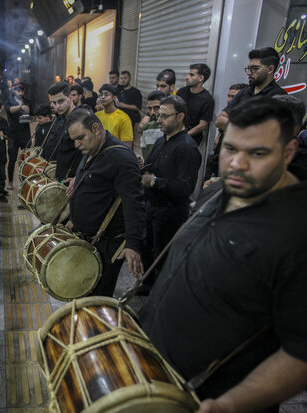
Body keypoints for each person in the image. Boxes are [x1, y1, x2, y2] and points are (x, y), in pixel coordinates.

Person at [140, 97, 307, 413]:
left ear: (289, 152)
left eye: (257, 153)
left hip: (210, 397)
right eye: (231, 149)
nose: (237, 164)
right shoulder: (218, 190)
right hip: (155, 377)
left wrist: (230, 404)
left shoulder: (297, 233)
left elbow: (300, 354)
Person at [66, 108, 145, 296]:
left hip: (107, 243)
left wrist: (133, 244)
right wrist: (74, 218)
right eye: (74, 140)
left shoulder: (121, 158)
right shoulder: (93, 148)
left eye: (80, 137)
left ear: (96, 128)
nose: (77, 145)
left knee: (97, 298)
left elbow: (134, 203)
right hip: (89, 239)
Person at [140, 95, 201, 293]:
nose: (159, 120)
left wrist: (156, 182)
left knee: (163, 258)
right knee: (147, 251)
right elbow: (151, 167)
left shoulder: (187, 148)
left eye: (165, 116)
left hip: (170, 213)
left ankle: (161, 296)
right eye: (158, 115)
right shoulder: (160, 141)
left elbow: (185, 187)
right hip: (152, 208)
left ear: (180, 116)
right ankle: (148, 285)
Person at [215, 47, 287, 133]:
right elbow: (220, 120)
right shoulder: (244, 92)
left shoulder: (279, 97)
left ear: (270, 69)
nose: (249, 73)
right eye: (249, 68)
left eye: (255, 68)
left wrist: (234, 125)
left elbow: (266, 133)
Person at [43, 82, 80, 182]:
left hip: (74, 178)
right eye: (54, 103)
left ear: (70, 98)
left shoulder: (81, 119)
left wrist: (78, 177)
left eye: (61, 101)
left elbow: (91, 153)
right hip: (61, 174)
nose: (57, 106)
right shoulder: (60, 118)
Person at [176, 63, 215, 145]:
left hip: (190, 140)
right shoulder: (182, 92)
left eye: (191, 75)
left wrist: (185, 136)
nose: (187, 77)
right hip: (175, 133)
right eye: (188, 74)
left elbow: (203, 125)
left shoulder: (207, 99)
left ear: (201, 78)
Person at [4, 83, 32, 189]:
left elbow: (31, 114)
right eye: (18, 91)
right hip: (13, 134)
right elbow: (9, 110)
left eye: (22, 91)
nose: (20, 93)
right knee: (12, 159)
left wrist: (28, 111)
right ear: (14, 91)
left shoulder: (28, 101)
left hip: (25, 134)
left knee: (26, 159)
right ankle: (10, 182)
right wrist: (20, 106)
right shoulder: (9, 101)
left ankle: (26, 180)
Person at [139, 90, 165, 160]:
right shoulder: (147, 127)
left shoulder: (170, 128)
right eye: (150, 109)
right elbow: (145, 151)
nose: (152, 112)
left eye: (156, 108)